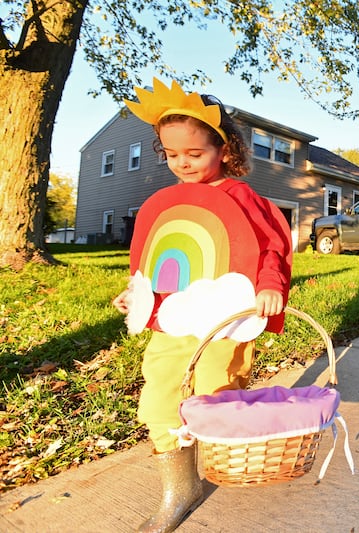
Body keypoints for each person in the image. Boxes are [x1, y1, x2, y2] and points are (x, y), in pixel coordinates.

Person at [113, 78, 292, 532]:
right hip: (170, 321)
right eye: (172, 155)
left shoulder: (242, 198)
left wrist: (269, 284)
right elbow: (159, 257)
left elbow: (269, 246)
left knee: (217, 394)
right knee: (158, 401)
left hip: (226, 321)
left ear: (225, 150)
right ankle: (179, 489)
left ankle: (226, 458)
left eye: (195, 153)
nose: (183, 164)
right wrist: (136, 294)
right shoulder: (169, 202)